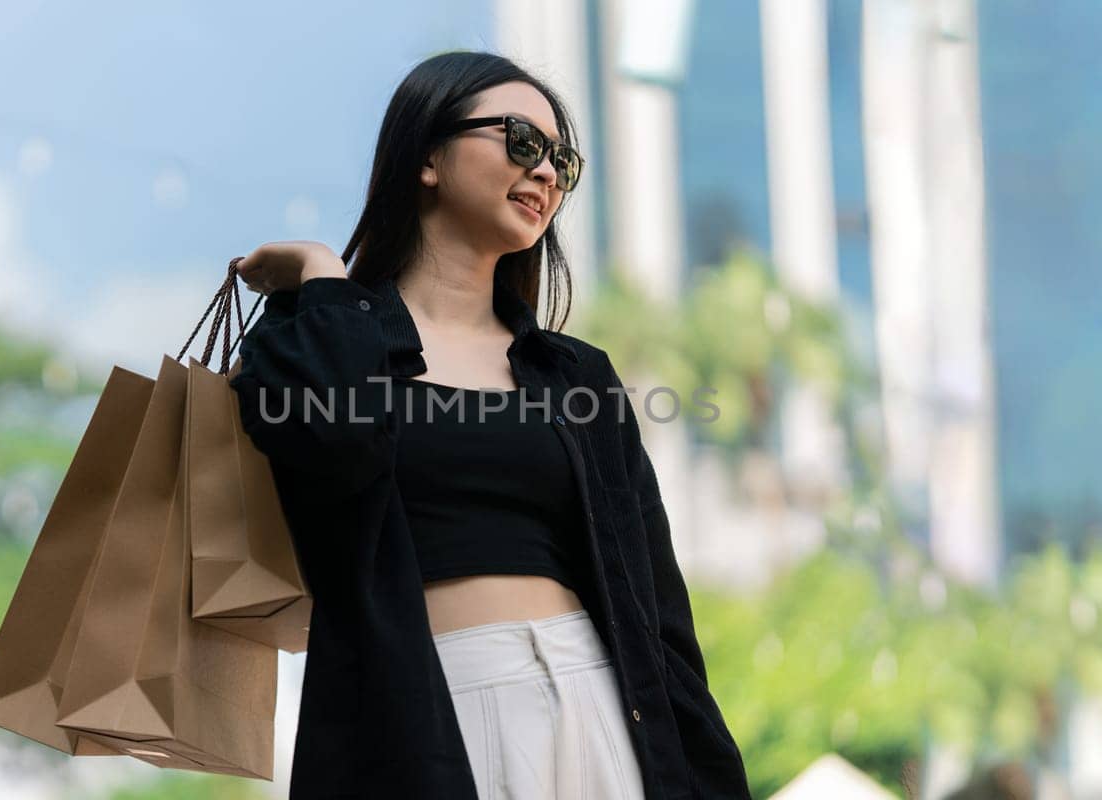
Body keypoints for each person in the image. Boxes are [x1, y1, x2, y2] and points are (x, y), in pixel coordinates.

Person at [230, 50, 750, 799]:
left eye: (561, 160)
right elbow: (334, 446)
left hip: (596, 702)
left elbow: (655, 606)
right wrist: (322, 277)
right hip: (421, 716)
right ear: (428, 159)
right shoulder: (314, 336)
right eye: (521, 142)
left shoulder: (575, 374)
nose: (545, 174)